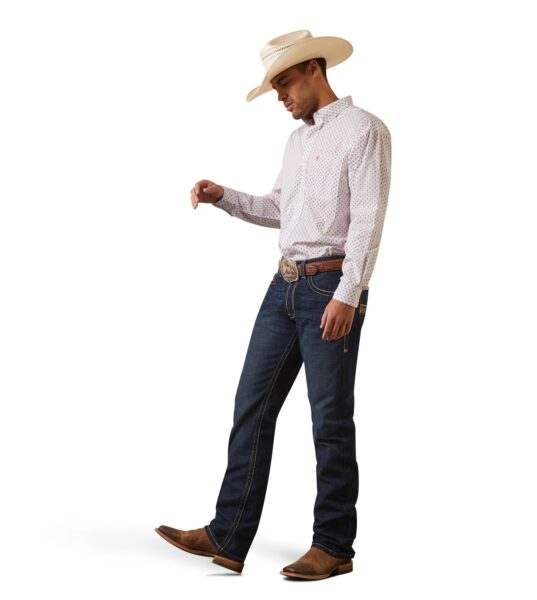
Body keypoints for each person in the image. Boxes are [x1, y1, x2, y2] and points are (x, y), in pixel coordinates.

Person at [155, 29, 392, 580]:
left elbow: (367, 222)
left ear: (314, 68)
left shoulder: (365, 131)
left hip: (329, 289)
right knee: (251, 407)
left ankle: (334, 545)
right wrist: (224, 198)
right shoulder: (297, 141)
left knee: (329, 419)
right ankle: (227, 534)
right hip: (282, 287)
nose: (280, 95)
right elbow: (280, 208)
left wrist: (347, 294)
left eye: (283, 82)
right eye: (274, 86)